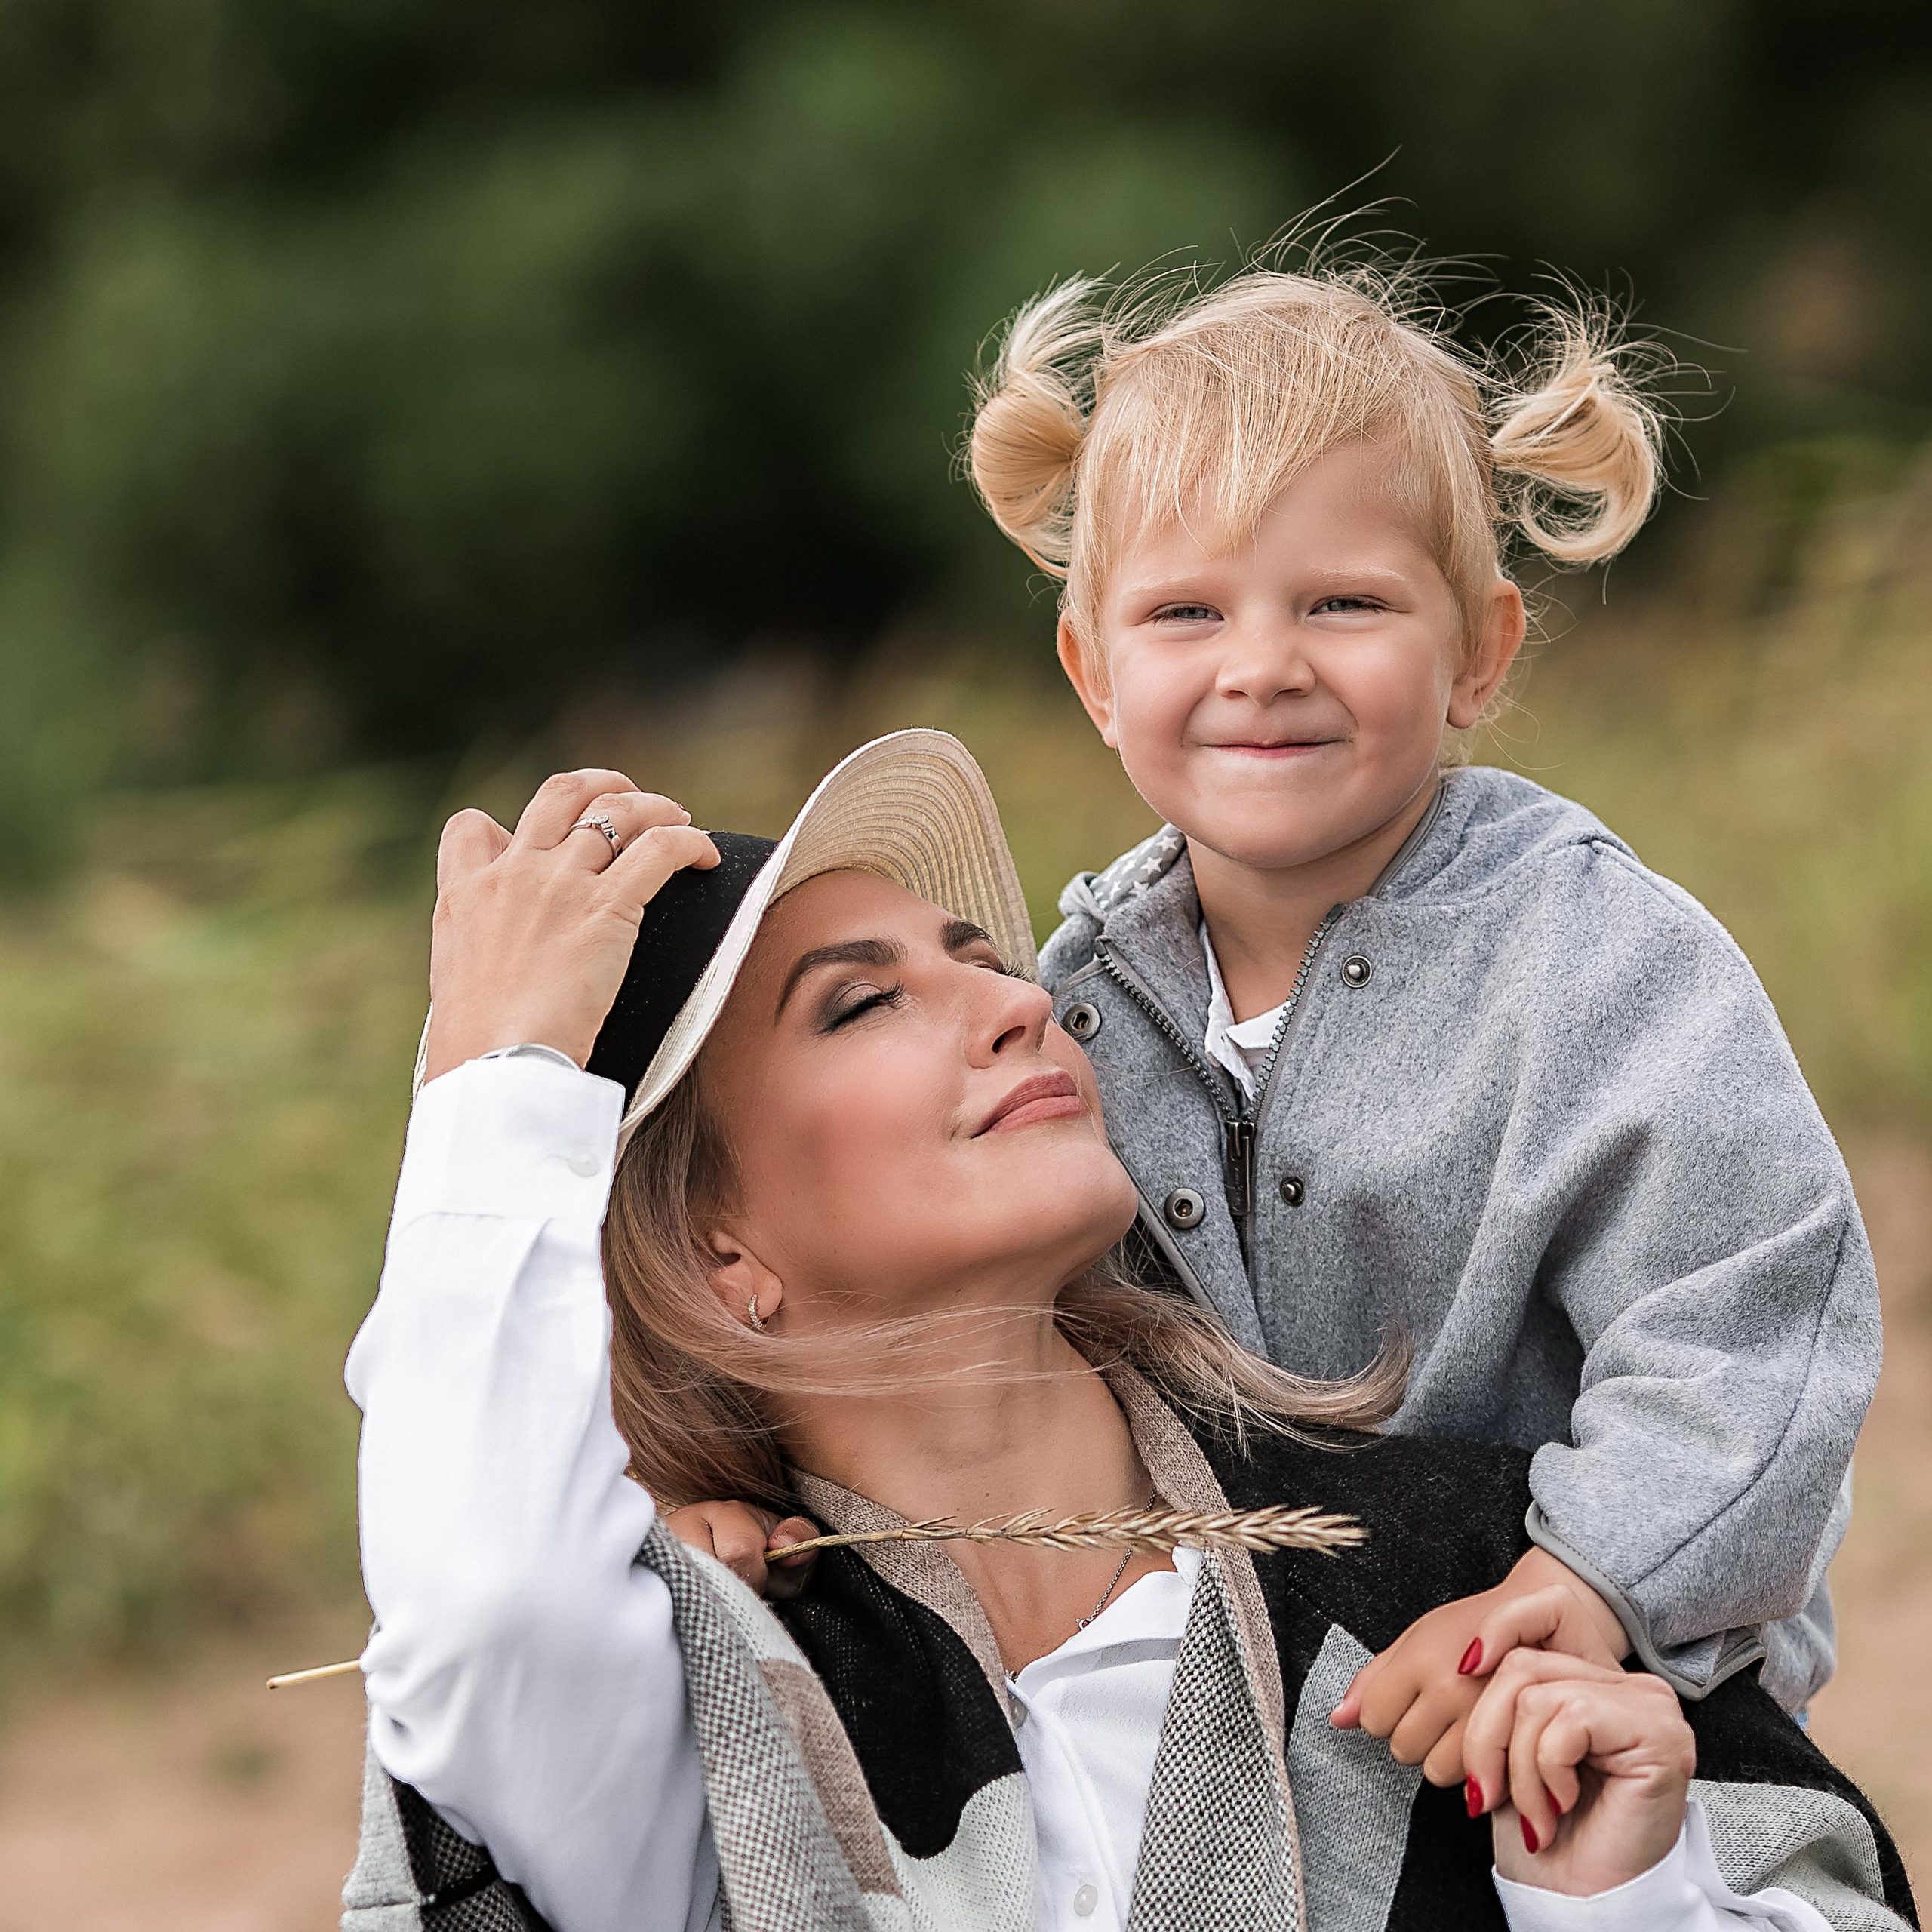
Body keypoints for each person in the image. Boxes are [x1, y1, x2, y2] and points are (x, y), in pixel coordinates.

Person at [341, 733, 1913, 1932]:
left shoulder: (1478, 1583)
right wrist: (496, 1069)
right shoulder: (705, 1696)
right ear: (714, 1248)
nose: (1020, 1003)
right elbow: (481, 1597)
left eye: (981, 959)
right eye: (863, 1003)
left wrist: (1616, 1900)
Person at [956, 257, 1879, 1761]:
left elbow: (1747, 1316)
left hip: (1608, 1691)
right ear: (1093, 672)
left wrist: (1581, 1586)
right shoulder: (1070, 1006)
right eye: (1185, 611)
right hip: (1254, 1728)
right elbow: (933, 1321)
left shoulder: (1598, 958)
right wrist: (739, 1483)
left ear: (1478, 651)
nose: (1263, 666)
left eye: (1344, 602)